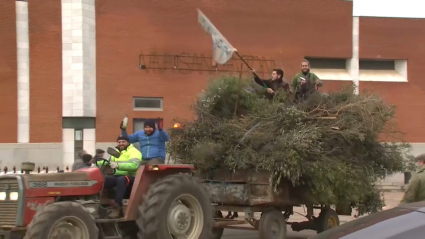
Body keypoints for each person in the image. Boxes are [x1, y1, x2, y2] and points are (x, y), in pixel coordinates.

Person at [97, 135, 142, 218]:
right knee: (103, 180)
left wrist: (118, 165)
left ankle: (117, 207)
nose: (121, 143)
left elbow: (134, 165)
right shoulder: (115, 152)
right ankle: (98, 203)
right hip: (116, 175)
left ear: (128, 142)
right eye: (119, 142)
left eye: (123, 142)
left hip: (130, 176)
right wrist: (96, 163)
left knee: (121, 180)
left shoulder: (134, 152)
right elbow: (107, 162)